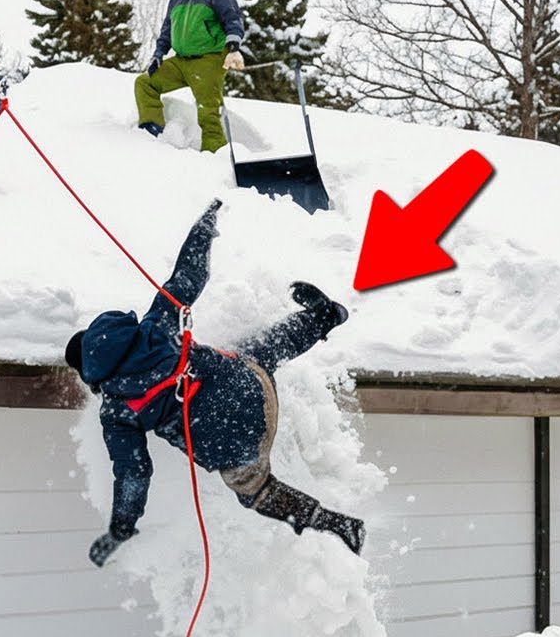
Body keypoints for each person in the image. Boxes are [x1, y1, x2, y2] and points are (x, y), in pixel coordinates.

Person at [66, 200, 365, 567]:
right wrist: (204, 227)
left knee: (254, 492)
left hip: (238, 450)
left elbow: (134, 473)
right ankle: (325, 316)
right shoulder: (155, 326)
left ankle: (337, 525)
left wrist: (121, 528)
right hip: (253, 388)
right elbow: (189, 277)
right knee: (259, 349)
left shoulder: (116, 411)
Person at [134, 0, 246, 153]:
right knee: (145, 83)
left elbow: (233, 18)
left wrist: (233, 47)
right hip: (181, 61)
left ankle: (216, 157)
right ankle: (151, 132)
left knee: (208, 112)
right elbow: (168, 26)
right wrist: (158, 54)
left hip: (209, 59)